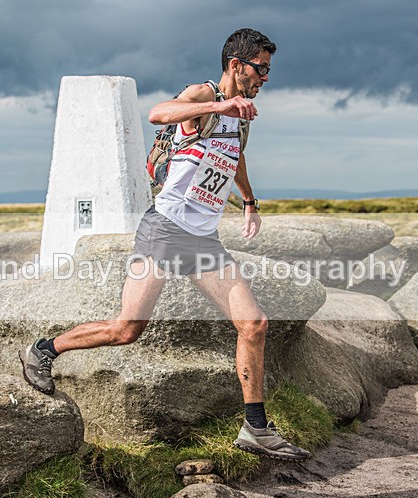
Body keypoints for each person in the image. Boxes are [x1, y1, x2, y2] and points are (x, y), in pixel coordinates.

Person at [21, 29, 310, 462]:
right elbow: (158, 113)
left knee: (254, 324)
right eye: (261, 68)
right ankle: (44, 350)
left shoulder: (240, 117)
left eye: (268, 70)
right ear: (236, 64)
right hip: (164, 230)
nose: (265, 78)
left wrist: (248, 201)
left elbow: (235, 156)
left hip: (201, 240)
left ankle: (256, 428)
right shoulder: (204, 95)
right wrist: (219, 104)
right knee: (127, 330)